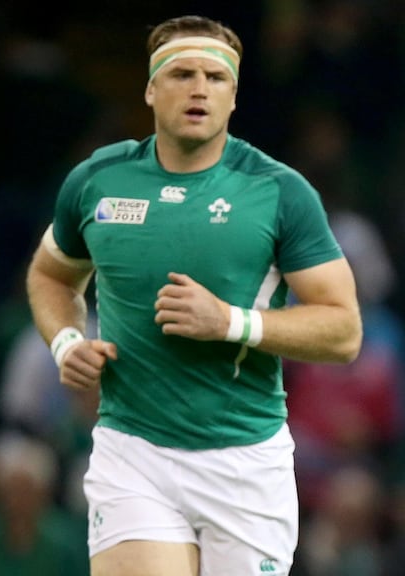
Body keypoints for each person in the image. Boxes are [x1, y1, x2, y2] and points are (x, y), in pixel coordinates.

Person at [24, 15, 362, 576]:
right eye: (181, 74)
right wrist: (65, 342)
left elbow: (345, 330)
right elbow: (50, 276)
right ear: (152, 90)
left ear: (234, 96)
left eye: (215, 77)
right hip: (133, 451)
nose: (199, 88)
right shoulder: (97, 181)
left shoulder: (280, 191)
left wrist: (231, 322)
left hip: (245, 463)